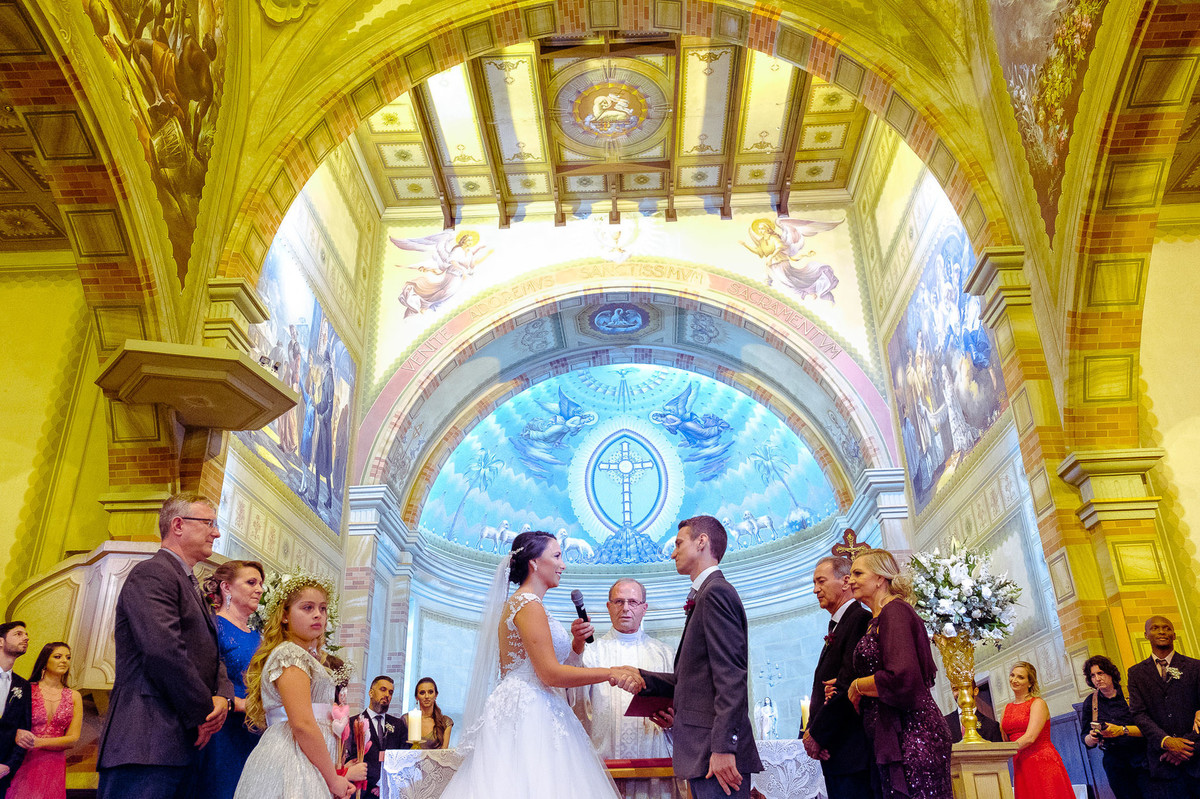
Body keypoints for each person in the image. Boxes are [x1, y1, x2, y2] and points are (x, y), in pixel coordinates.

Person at [439, 530, 646, 799]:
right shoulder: (527, 604)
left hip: (538, 700)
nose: (563, 564)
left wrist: (577, 643)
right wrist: (611, 672)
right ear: (535, 562)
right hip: (528, 709)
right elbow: (550, 674)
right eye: (557, 556)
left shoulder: (531, 604)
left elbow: (554, 665)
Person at [97, 493, 234, 799]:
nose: (216, 533)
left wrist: (223, 696)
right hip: (146, 740)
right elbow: (164, 651)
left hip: (178, 742)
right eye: (209, 523)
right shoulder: (153, 573)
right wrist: (203, 712)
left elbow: (214, 654)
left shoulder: (190, 582)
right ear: (178, 525)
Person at [640, 516, 763, 799]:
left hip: (715, 754)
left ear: (702, 542)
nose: (673, 553)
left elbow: (731, 676)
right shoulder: (706, 593)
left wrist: (724, 748)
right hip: (704, 751)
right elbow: (695, 679)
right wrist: (643, 679)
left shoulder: (715, 592)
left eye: (679, 543)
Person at [232, 574, 366, 798]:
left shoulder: (305, 657)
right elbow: (302, 724)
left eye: (323, 608)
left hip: (307, 759)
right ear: (285, 615)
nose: (318, 614)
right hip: (292, 758)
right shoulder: (290, 654)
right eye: (307, 607)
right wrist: (333, 780)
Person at [845, 549, 952, 799]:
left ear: (880, 578)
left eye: (858, 573)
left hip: (913, 734)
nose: (850, 580)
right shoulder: (877, 619)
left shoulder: (895, 612)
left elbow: (902, 676)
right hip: (892, 733)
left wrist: (857, 686)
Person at [568, 578, 677, 799]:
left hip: (656, 764)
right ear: (608, 607)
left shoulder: (665, 654)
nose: (626, 608)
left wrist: (674, 723)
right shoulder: (591, 653)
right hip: (603, 766)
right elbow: (571, 698)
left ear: (644, 608)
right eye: (618, 601)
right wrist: (577, 646)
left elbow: (685, 704)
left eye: (633, 602)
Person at [802, 556, 874, 799]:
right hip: (836, 749)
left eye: (821, 581)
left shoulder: (859, 619)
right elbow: (824, 687)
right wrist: (813, 732)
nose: (815, 590)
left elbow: (846, 683)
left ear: (845, 582)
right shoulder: (838, 624)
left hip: (852, 750)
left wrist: (818, 735)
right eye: (814, 583)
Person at [192, 560, 265, 799]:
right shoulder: (213, 626)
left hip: (254, 731)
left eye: (261, 584)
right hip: (222, 731)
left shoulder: (257, 636)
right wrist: (239, 703)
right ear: (226, 587)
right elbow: (200, 679)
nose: (259, 589)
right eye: (251, 582)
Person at [1127, 616, 1200, 797]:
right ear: (1146, 634)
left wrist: (1185, 746)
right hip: (1162, 762)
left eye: (1167, 628)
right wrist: (1166, 742)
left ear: (1174, 635)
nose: (1162, 631)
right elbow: (1139, 714)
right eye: (1155, 628)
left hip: (1196, 757)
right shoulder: (1136, 673)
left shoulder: (1195, 667)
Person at [6, 642, 82, 799]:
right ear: (45, 661)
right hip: (25, 760)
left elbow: (73, 739)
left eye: (68, 657)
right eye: (58, 657)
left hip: (54, 765)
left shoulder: (74, 696)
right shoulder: (26, 689)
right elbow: (9, 724)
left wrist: (38, 742)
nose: (64, 661)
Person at [1000, 661, 1074, 799]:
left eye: (1020, 677)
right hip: (1020, 764)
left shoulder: (1037, 703)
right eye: (1012, 675)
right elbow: (1005, 738)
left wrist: (1004, 752)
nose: (1014, 680)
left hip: (1041, 762)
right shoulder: (1006, 708)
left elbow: (1030, 737)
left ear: (1030, 683)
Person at [1079, 655, 1149, 799]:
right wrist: (1092, 738)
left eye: (1100, 673)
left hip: (1142, 755)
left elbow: (1148, 726)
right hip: (1114, 760)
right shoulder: (1090, 702)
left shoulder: (1131, 694)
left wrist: (1121, 730)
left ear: (1111, 673)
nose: (1097, 679)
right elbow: (1084, 737)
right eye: (1093, 675)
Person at [346, 675, 402, 795]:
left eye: (390, 692)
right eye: (383, 689)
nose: (387, 695)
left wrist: (384, 784)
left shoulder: (398, 725)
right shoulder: (353, 723)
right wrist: (375, 782)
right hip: (361, 791)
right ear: (371, 693)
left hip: (389, 791)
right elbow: (350, 757)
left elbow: (402, 757)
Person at [0, 622, 31, 794]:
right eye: (18, 634)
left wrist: (8, 766)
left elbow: (24, 731)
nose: (25, 638)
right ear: (1, 641)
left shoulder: (23, 686)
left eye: (26, 635)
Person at [398, 678, 452, 749]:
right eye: (422, 693)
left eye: (430, 692)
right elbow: (399, 748)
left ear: (436, 695)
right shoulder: (406, 719)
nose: (427, 696)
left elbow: (444, 752)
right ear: (416, 697)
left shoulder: (445, 721)